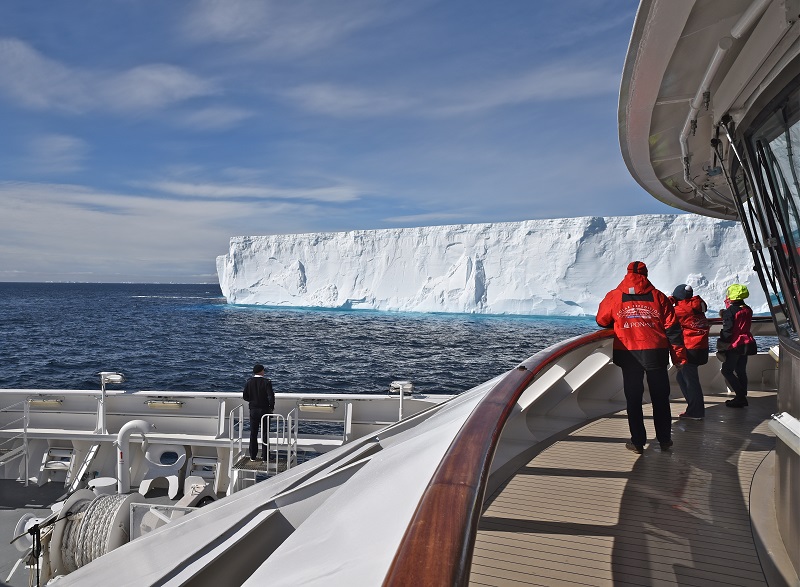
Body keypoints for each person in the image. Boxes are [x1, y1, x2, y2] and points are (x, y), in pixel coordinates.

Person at [596, 261, 687, 454]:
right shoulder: (659, 297)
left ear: (627, 273)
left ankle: (638, 442)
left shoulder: (614, 296)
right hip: (656, 353)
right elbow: (673, 329)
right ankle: (664, 440)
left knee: (634, 399)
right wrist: (678, 357)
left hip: (629, 354)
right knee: (660, 398)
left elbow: (602, 320)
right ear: (646, 274)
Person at [669, 284, 710, 420]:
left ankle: (696, 412)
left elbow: (663, 315)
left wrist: (670, 301)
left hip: (689, 349)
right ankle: (693, 407)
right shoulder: (697, 306)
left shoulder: (680, 310)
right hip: (701, 349)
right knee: (681, 378)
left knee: (690, 381)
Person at [717, 284, 755, 408]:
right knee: (741, 370)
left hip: (734, 344)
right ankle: (742, 394)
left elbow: (728, 330)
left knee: (727, 370)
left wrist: (723, 343)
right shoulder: (747, 309)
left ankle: (740, 396)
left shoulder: (730, 312)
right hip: (746, 343)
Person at [242, 363, 275, 460]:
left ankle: (252, 456)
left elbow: (245, 396)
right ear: (261, 371)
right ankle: (265, 456)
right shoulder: (266, 382)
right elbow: (270, 396)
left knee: (253, 433)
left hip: (253, 410)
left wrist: (252, 401)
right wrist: (271, 407)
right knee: (265, 433)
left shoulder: (249, 382)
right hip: (265, 410)